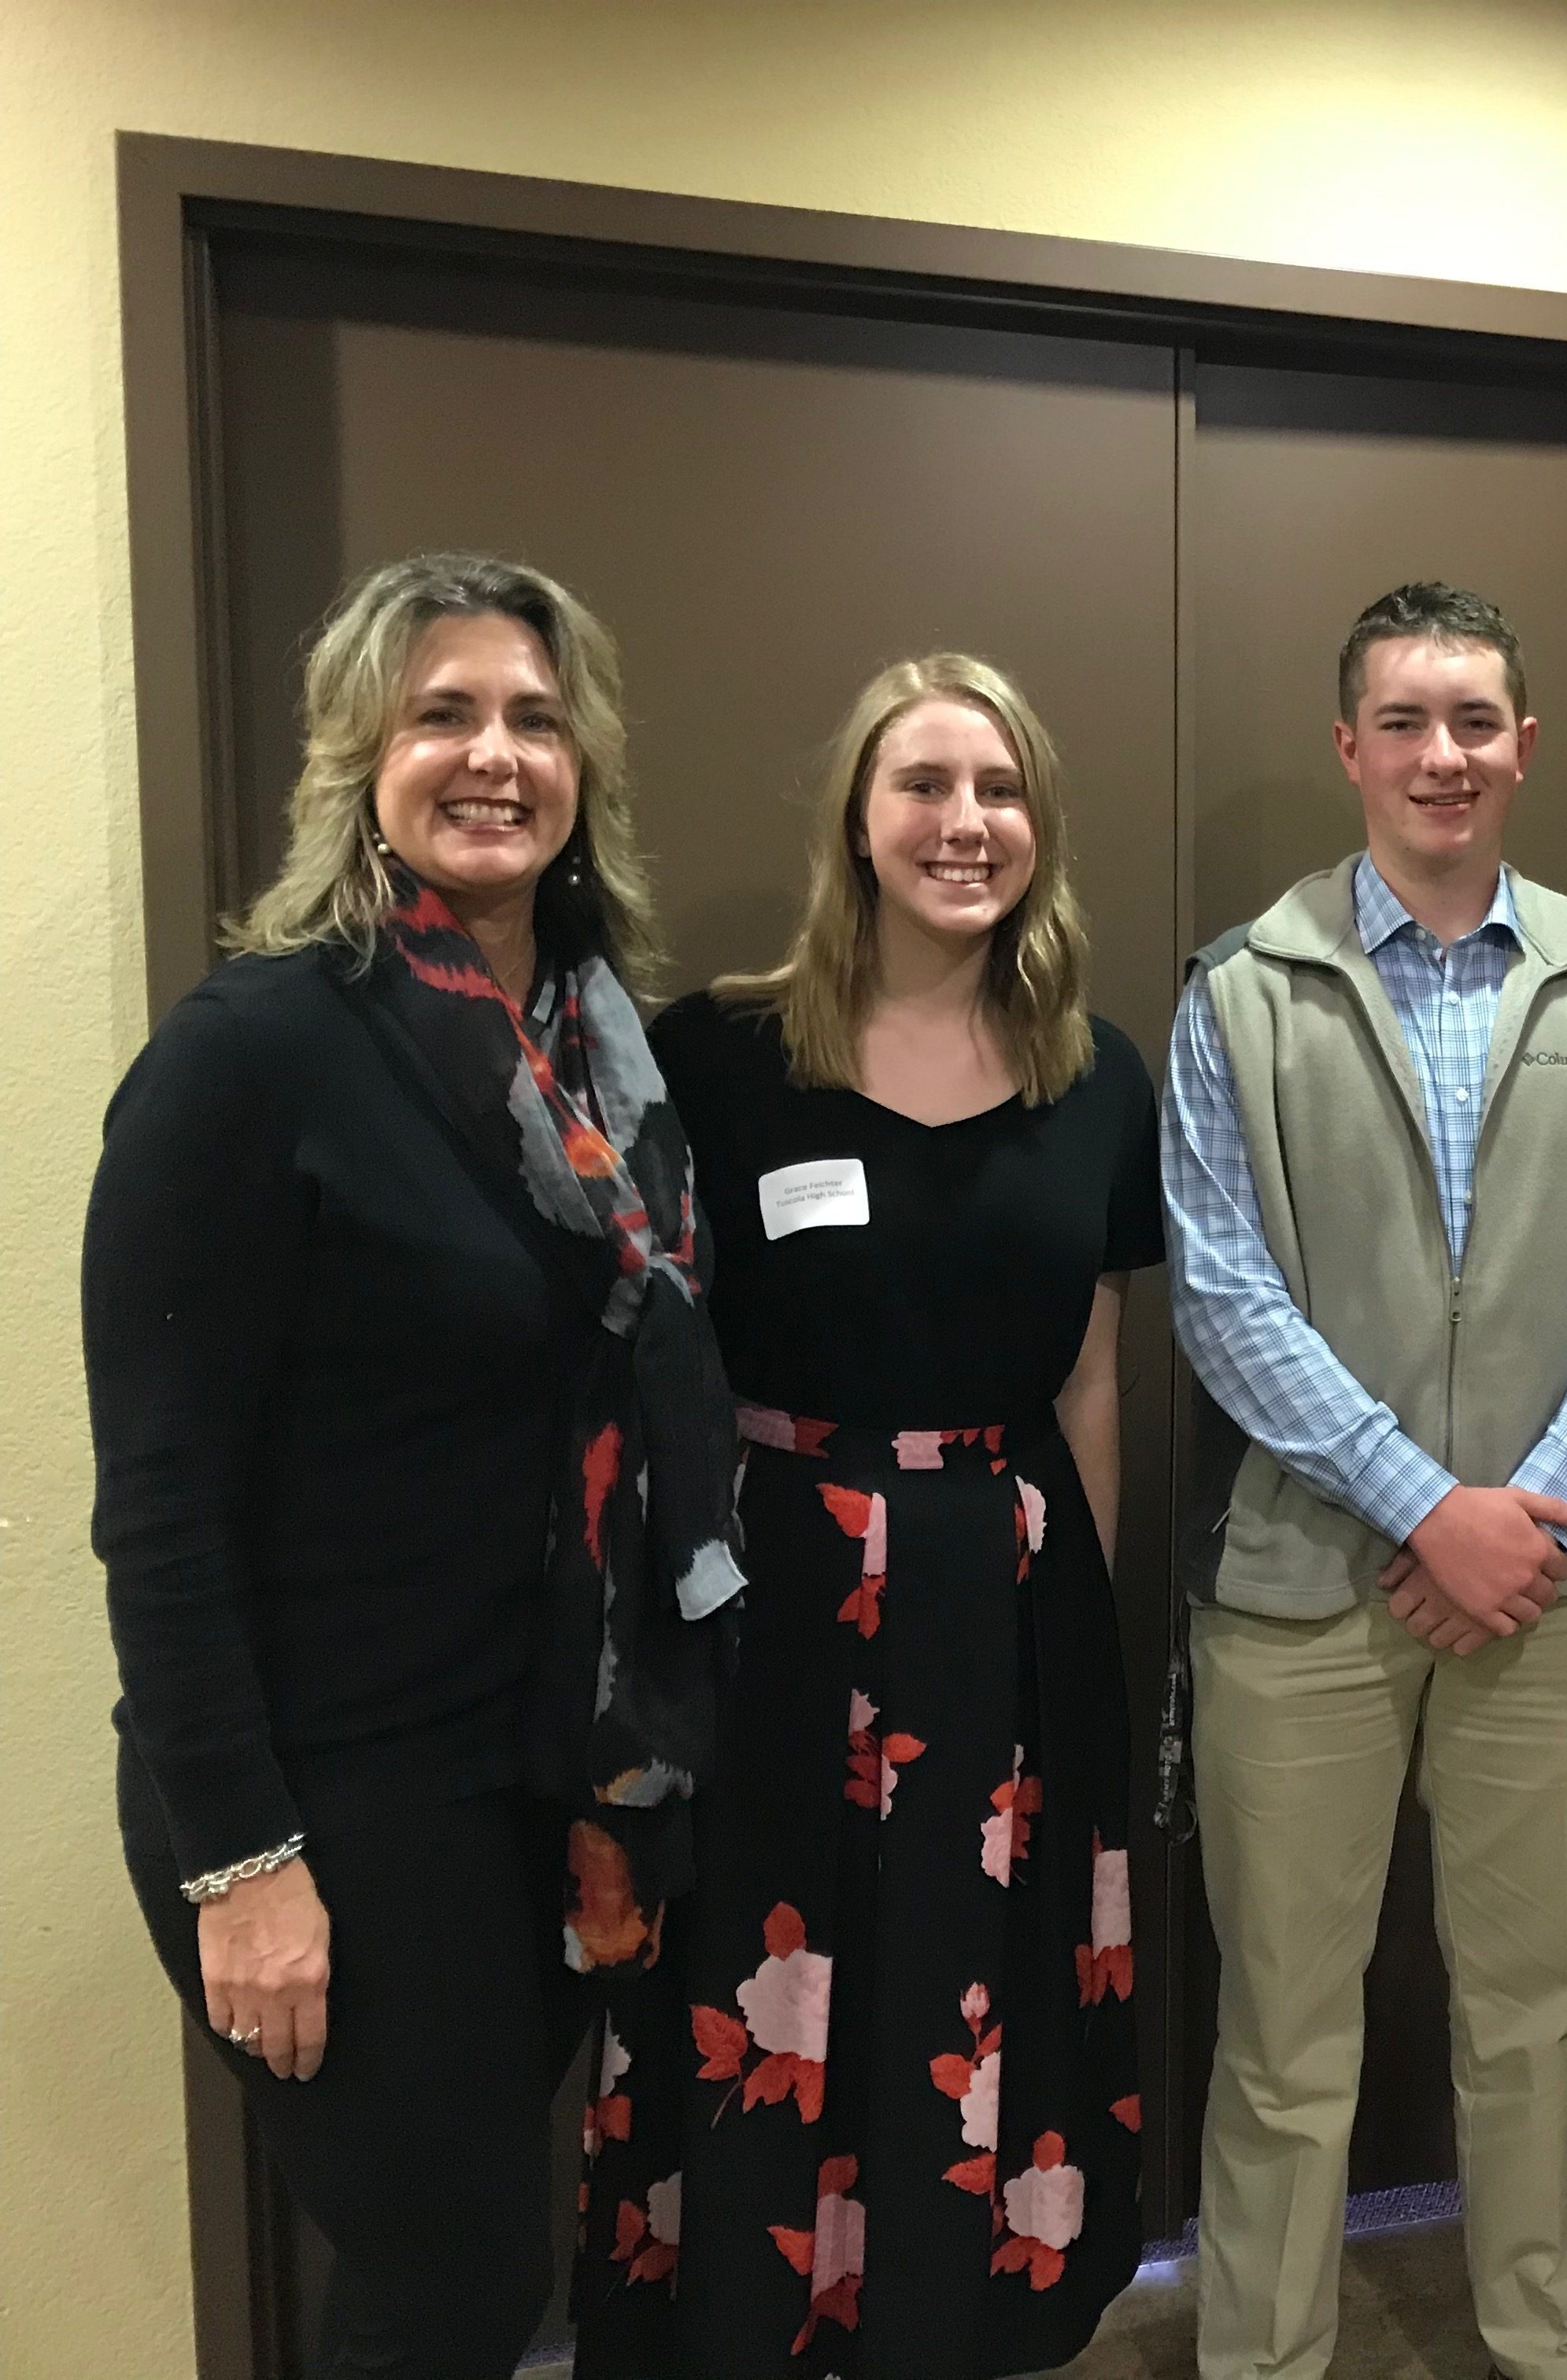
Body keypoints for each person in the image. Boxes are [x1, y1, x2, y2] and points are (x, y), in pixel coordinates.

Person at [84, 552, 742, 2378]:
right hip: (334, 1786)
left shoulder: (604, 1054)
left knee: (458, 2277)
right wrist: (241, 1861)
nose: (495, 754)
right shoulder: (256, 1053)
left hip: (544, 1767)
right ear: (357, 760)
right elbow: (159, 1506)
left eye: (536, 718)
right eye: (441, 714)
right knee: (453, 2282)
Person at [576, 656, 1160, 2378]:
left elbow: (1092, 1378)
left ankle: (939, 2324)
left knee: (974, 1973)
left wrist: (1080, 1629)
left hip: (1007, 1601)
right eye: (924, 783)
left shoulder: (1095, 1077)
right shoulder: (717, 1054)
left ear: (1039, 827)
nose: (964, 822)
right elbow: (646, 1355)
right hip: (775, 1601)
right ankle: (755, 2326)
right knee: (771, 1966)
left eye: (1000, 788)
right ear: (857, 818)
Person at [1162, 581, 1567, 2380]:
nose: (1441, 754)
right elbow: (1223, 1294)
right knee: (1285, 2036)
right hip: (1302, 1592)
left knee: (1535, 2019)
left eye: (1474, 720)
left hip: (1554, 1589)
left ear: (1524, 746)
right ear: (1350, 746)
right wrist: (1425, 1508)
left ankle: (1551, 2349)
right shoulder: (1242, 995)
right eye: (1403, 721)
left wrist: (1519, 1517)